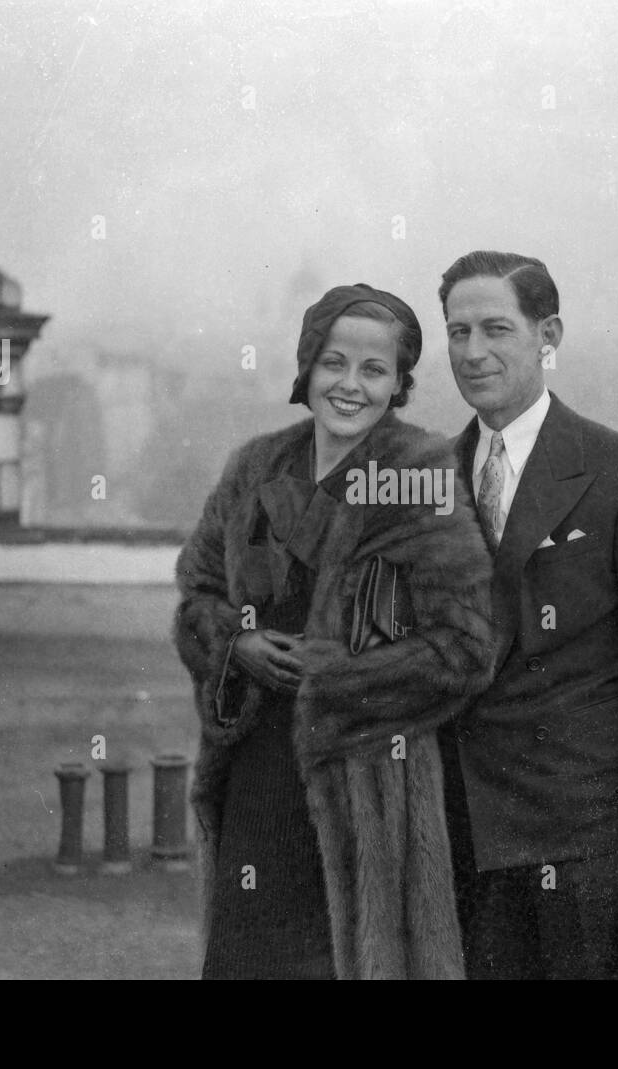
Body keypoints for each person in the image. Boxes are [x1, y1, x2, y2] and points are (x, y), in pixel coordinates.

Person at [174, 283, 496, 980]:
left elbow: (465, 649)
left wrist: (330, 672)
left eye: (373, 370)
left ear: (399, 385)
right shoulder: (254, 467)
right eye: (333, 363)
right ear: (306, 366)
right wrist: (236, 642)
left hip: (367, 789)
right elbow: (195, 595)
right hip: (258, 774)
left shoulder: (421, 474)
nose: (349, 385)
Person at [436, 251, 618, 980]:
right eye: (457, 332)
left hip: (585, 825)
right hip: (466, 823)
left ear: (547, 334)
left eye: (496, 328)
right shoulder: (432, 478)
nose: (473, 351)